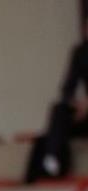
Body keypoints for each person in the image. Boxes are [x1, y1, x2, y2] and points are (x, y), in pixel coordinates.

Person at [28, 18, 88, 182]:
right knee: (59, 112)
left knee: (54, 133)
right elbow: (68, 88)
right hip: (84, 115)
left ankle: (52, 159)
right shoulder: (80, 53)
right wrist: (75, 104)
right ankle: (52, 159)